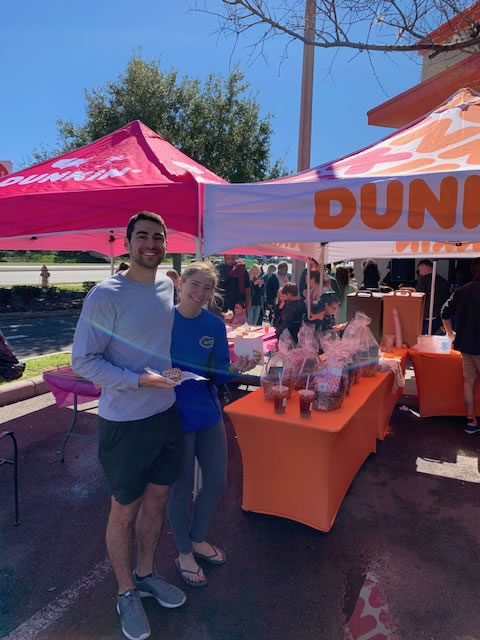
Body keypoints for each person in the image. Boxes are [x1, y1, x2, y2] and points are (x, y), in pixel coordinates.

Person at [72, 211, 186, 640]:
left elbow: (160, 339)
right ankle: (125, 591)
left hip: (166, 412)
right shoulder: (106, 295)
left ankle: (146, 574)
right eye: (142, 236)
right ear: (127, 242)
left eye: (158, 237)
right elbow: (83, 361)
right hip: (125, 421)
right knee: (125, 510)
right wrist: (138, 380)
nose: (151, 244)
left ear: (166, 244)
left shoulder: (166, 285)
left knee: (157, 501)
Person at [168, 261, 256, 586]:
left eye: (207, 288)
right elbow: (147, 365)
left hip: (207, 409)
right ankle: (183, 552)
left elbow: (218, 373)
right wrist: (164, 374)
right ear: (181, 284)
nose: (200, 292)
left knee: (217, 481)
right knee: (180, 489)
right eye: (195, 284)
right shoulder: (163, 321)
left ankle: (196, 538)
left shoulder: (214, 325)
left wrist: (236, 368)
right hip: (173, 413)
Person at [441, 258, 480, 434]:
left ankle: (471, 421)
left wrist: (451, 334)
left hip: (465, 346)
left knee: (469, 382)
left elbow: (444, 312)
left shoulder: (462, 291)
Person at [416, 259, 450, 334]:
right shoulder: (443, 281)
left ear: (424, 266)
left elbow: (418, 298)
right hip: (440, 317)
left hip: (427, 318)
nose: (419, 272)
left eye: (419, 269)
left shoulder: (423, 280)